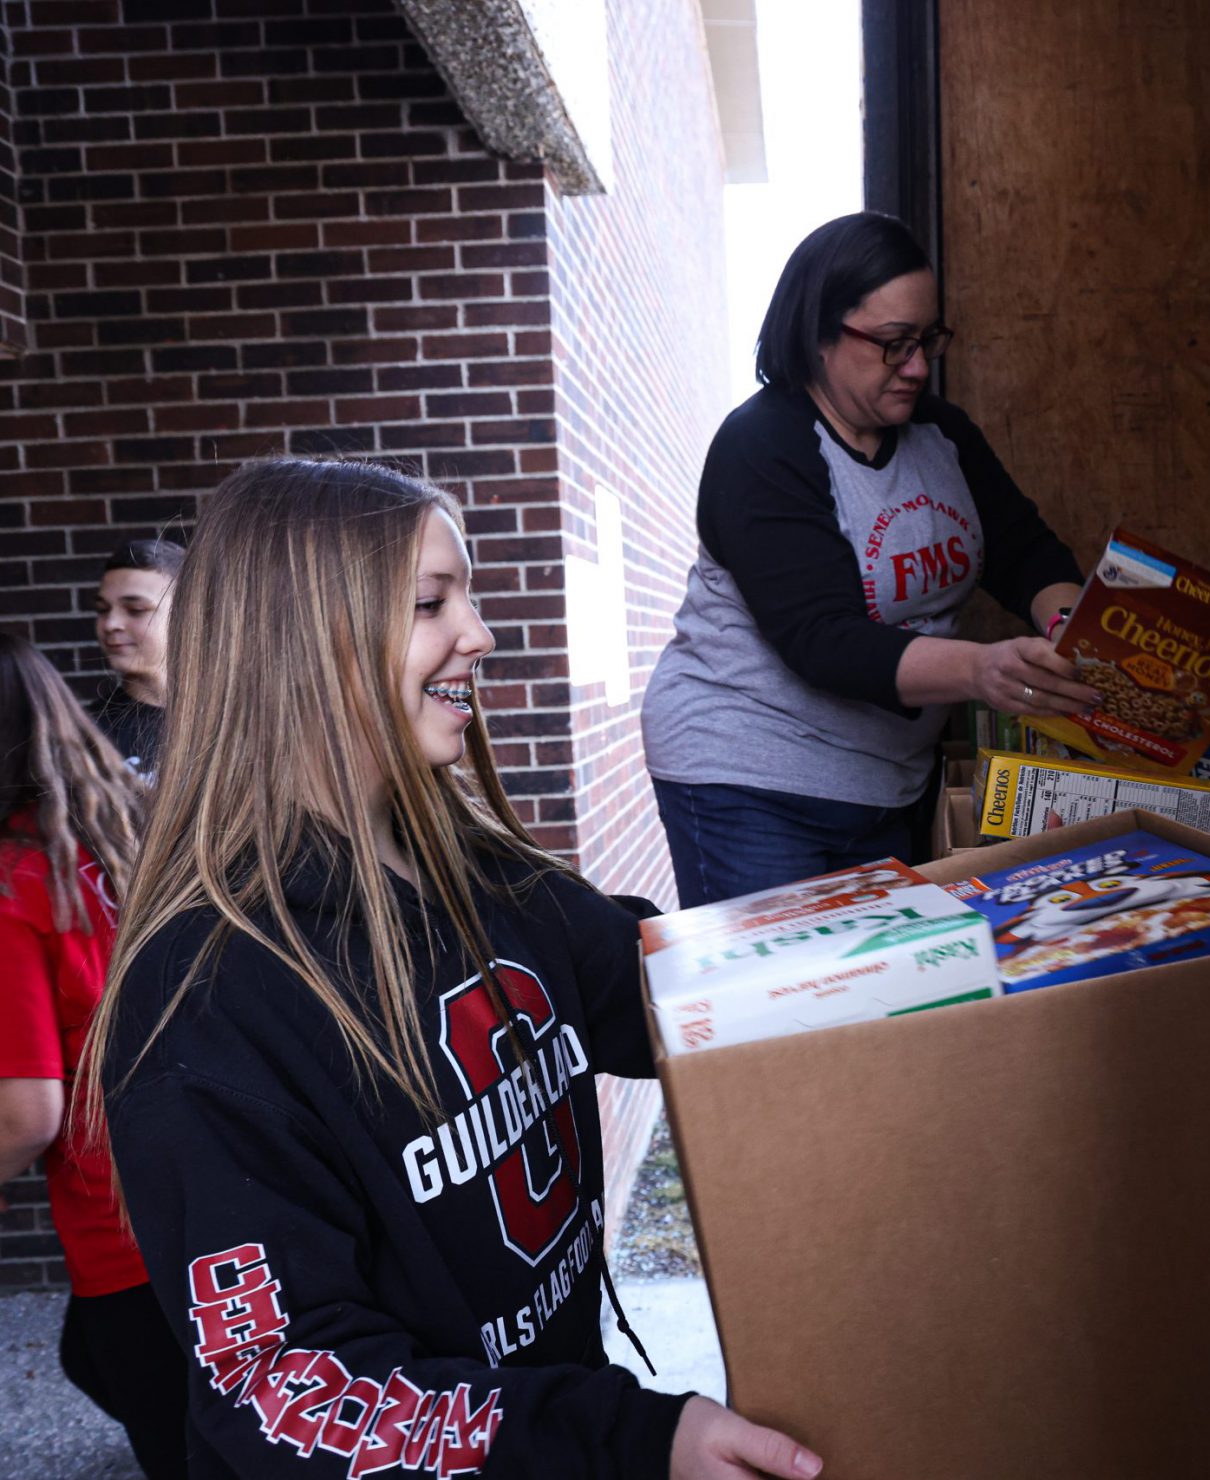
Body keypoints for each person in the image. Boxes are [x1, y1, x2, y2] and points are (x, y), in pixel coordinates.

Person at [80, 459, 822, 1480]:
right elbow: (290, 1390)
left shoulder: (478, 873)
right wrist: (626, 1439)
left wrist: (921, 951)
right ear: (305, 641)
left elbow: (663, 991)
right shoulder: (204, 1002)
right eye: (432, 603)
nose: (478, 633)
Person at [641, 211, 1099, 906]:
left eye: (926, 340)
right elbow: (823, 641)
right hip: (749, 774)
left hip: (885, 779)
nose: (917, 367)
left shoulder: (943, 435)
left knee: (882, 1004)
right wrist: (982, 669)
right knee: (787, 1006)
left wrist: (1074, 631)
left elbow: (1023, 548)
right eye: (892, 344)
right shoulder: (760, 446)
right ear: (819, 334)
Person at [0, 633, 190, 1478]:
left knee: (184, 1442)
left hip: (122, 1221)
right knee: (90, 1356)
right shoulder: (134, 818)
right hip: (214, 1170)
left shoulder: (14, 884)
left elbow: (25, 1115)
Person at [89, 536, 184, 779]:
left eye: (136, 610)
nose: (110, 624)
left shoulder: (232, 718)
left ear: (186, 613)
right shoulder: (85, 734)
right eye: (103, 610)